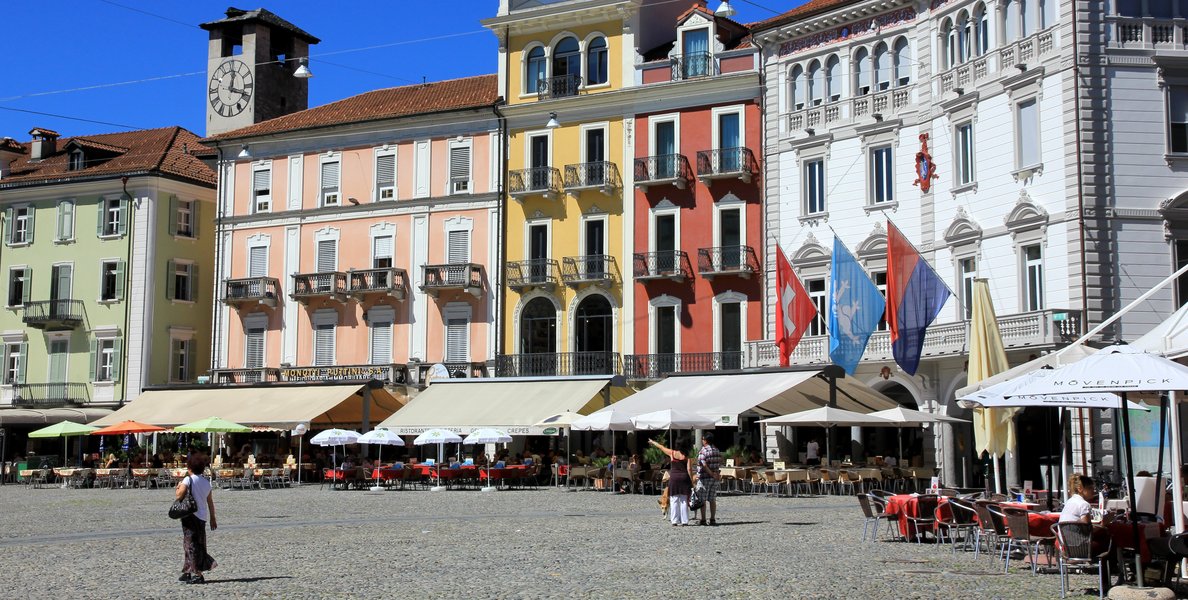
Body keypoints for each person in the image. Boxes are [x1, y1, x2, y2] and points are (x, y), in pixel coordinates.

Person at [175, 453, 217, 584]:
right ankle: (188, 571)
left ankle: (198, 574)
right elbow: (210, 502)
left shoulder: (189, 480)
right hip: (202, 517)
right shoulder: (206, 483)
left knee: (190, 544)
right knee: (196, 543)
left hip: (190, 515)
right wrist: (213, 518)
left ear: (190, 467)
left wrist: (178, 487)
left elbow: (179, 495)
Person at [649, 437, 693, 526]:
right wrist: (691, 481)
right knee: (684, 500)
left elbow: (661, 447)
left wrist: (653, 442)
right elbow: (689, 469)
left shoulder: (672, 453)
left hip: (674, 478)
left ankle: (674, 521)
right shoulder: (687, 456)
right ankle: (684, 521)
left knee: (674, 499)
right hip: (684, 478)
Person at [695, 432, 723, 526]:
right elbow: (720, 461)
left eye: (702, 439)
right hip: (714, 478)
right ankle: (712, 519)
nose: (702, 441)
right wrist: (715, 473)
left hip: (704, 478)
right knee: (712, 499)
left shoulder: (704, 451)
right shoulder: (717, 450)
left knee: (702, 499)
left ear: (705, 441)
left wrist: (710, 473)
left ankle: (703, 519)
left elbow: (703, 464)